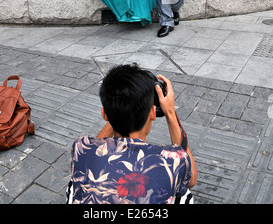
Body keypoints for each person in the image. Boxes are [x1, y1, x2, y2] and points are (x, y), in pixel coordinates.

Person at [67, 63, 197, 204]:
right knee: (183, 194)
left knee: (75, 182)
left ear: (104, 114)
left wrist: (118, 110)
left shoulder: (80, 146)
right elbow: (191, 180)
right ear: (153, 113)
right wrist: (170, 112)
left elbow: (94, 151)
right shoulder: (172, 161)